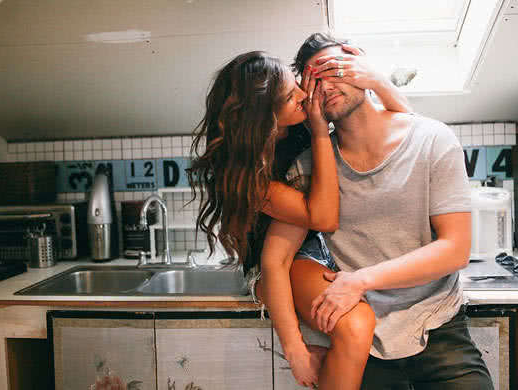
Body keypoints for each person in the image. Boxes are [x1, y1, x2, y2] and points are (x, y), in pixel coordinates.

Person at [263, 32, 494, 389]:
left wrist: (360, 280)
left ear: (361, 65)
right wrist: (294, 347)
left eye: (335, 68)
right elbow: (275, 261)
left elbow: (455, 248)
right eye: (314, 80)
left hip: (438, 326)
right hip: (364, 337)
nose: (326, 85)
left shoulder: (433, 139)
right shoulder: (309, 167)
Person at [188, 50, 410, 388]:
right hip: (274, 266)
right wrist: (296, 351)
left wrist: (377, 82)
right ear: (265, 116)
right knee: (354, 323)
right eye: (292, 96)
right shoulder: (248, 175)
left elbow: (408, 127)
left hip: (314, 250)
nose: (304, 96)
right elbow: (318, 220)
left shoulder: (297, 127)